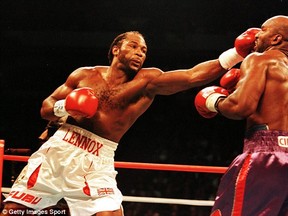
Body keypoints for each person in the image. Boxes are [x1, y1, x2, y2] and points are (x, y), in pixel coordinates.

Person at [1, 30, 257, 216]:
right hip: (58, 150)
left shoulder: (147, 81)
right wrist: (65, 106)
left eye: (144, 50)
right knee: (14, 211)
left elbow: (192, 76)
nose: (140, 53)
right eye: (134, 47)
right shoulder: (84, 74)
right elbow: (46, 108)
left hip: (97, 159)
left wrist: (237, 53)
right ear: (116, 49)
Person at [194, 15, 288, 216]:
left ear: (276, 39)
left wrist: (213, 101)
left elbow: (240, 106)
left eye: (263, 29)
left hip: (265, 156)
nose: (256, 33)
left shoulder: (259, 59)